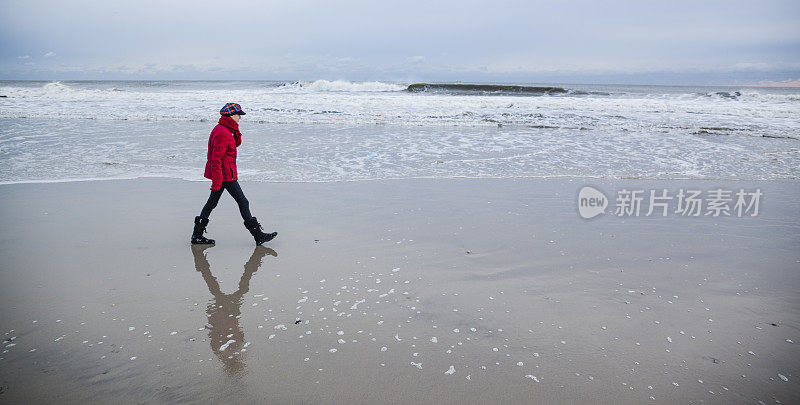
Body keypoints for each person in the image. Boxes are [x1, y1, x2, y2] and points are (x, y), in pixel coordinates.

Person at [191, 103, 277, 245]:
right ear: (231, 116)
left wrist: (236, 131)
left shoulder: (225, 129)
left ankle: (197, 235)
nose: (240, 118)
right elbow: (215, 159)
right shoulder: (223, 133)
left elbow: (233, 146)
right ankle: (258, 236)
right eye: (238, 115)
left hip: (226, 174)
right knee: (242, 202)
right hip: (224, 176)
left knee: (212, 204)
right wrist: (217, 182)